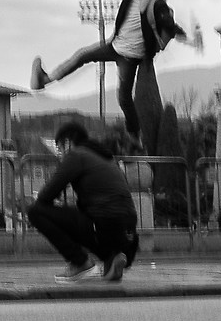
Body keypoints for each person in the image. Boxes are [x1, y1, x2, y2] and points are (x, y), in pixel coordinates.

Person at [31, 0, 187, 152]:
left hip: (131, 56)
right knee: (82, 55)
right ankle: (45, 79)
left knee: (123, 97)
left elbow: (169, 25)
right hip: (115, 46)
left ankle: (134, 134)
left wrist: (178, 38)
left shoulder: (156, 1)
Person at [25, 120, 138, 283]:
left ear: (67, 143)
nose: (60, 154)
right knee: (95, 218)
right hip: (128, 235)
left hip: (103, 226)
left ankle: (80, 262)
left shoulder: (76, 155)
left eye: (59, 149)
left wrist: (46, 200)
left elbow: (46, 196)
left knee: (36, 211)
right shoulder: (105, 157)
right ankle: (113, 258)